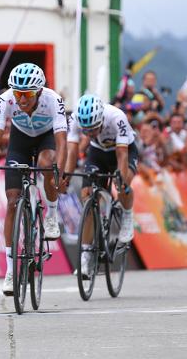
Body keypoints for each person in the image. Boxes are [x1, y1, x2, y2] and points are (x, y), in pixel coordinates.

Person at [0, 63, 67, 296]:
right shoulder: (6, 99)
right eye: (18, 93)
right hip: (19, 142)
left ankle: (50, 214)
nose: (21, 99)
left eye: (27, 94)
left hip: (46, 139)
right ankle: (10, 270)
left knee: (46, 164)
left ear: (38, 91)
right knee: (11, 203)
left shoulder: (53, 100)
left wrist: (59, 170)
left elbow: (61, 142)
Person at [64, 94, 138, 278]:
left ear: (101, 119)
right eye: (86, 130)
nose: (89, 133)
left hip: (123, 151)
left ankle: (127, 215)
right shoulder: (74, 118)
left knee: (123, 183)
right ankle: (85, 258)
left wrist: (120, 179)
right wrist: (66, 175)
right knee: (88, 197)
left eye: (93, 128)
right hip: (97, 153)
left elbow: (122, 155)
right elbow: (72, 151)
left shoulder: (116, 117)